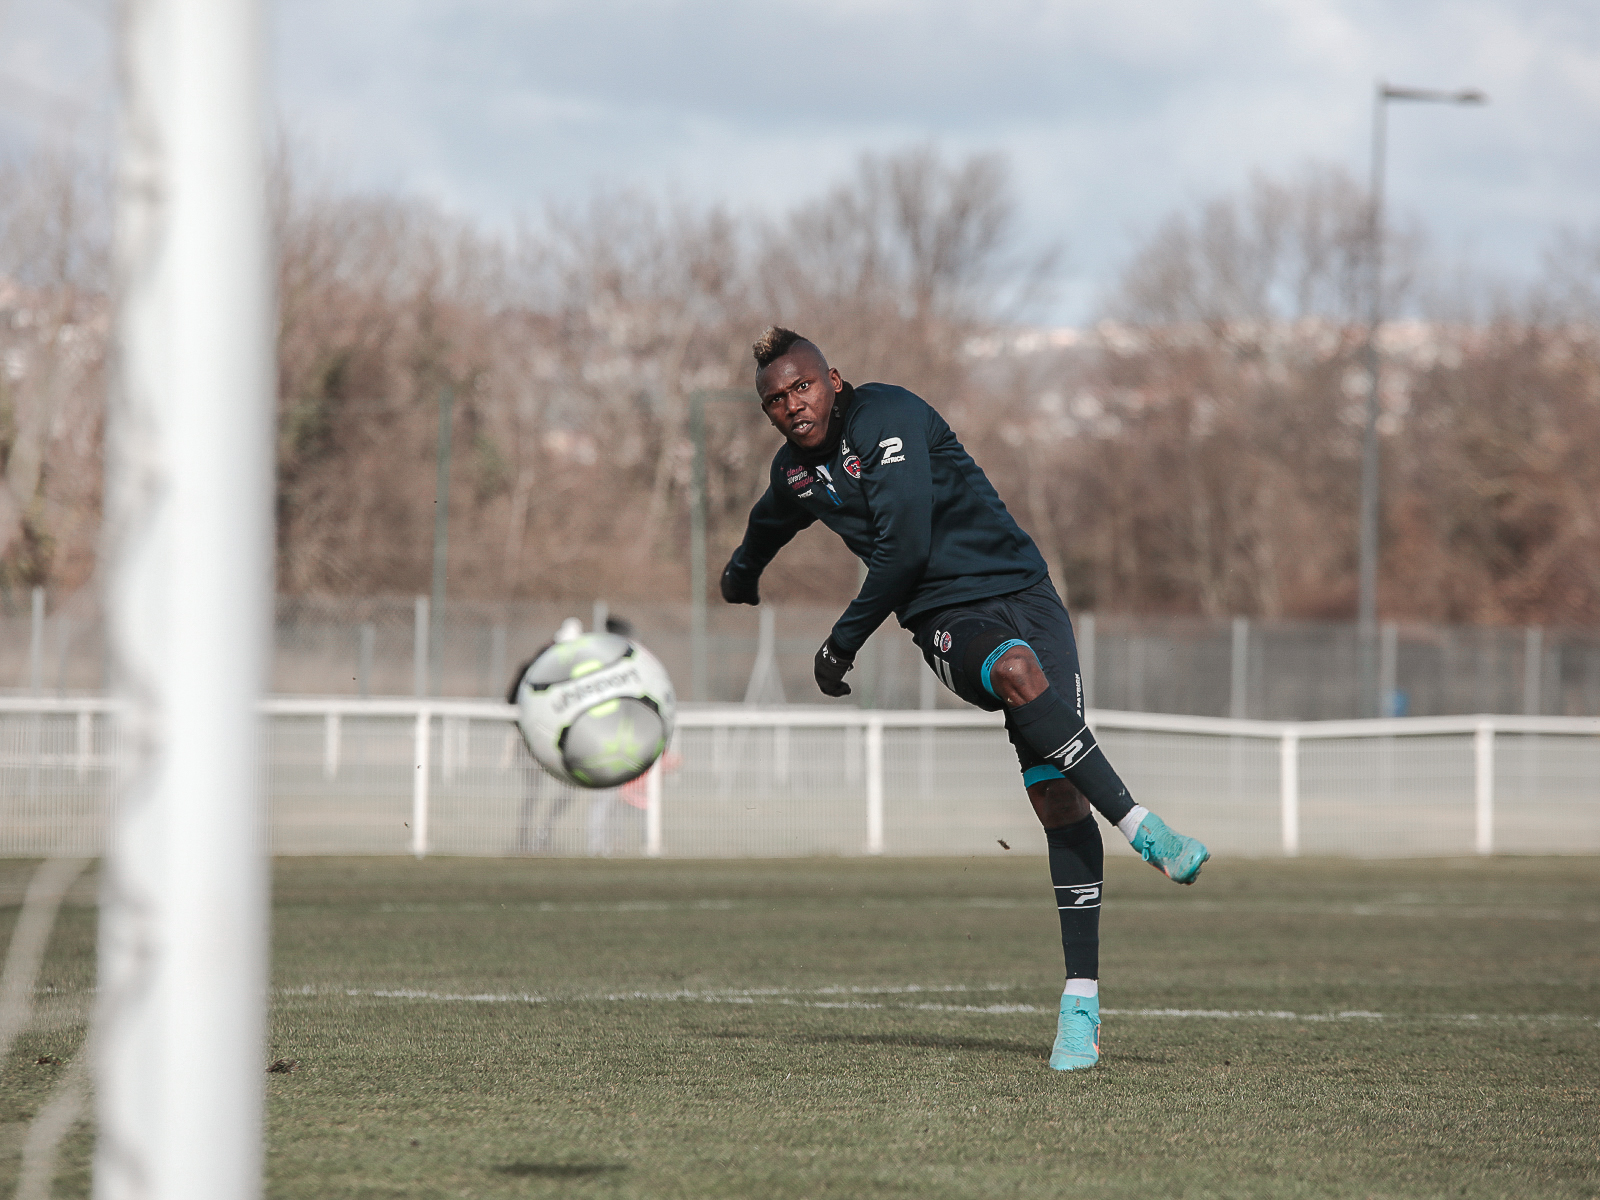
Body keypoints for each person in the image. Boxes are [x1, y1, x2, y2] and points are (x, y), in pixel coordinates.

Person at [719, 327, 1210, 1072]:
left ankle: (1080, 1004)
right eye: (776, 401)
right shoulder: (797, 473)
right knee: (1014, 673)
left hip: (1028, 595)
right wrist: (740, 572)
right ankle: (1143, 826)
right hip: (950, 622)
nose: (792, 405)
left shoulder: (886, 417)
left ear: (835, 378)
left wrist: (840, 642)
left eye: (803, 387)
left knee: (1056, 798)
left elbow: (905, 544)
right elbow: (769, 519)